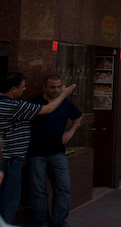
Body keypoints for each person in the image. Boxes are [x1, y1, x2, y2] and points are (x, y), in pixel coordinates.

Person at [0, 72, 76, 224]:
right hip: (9, 159)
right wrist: (64, 94)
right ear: (13, 89)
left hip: (10, 158)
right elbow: (48, 109)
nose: (25, 89)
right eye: (22, 87)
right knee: (10, 198)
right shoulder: (14, 106)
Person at [27, 74, 83, 227]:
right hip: (36, 153)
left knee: (63, 188)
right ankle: (42, 223)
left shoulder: (65, 103)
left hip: (57, 153)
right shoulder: (34, 103)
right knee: (38, 190)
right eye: (52, 87)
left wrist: (71, 132)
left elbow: (78, 116)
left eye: (59, 87)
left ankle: (59, 222)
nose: (56, 90)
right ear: (44, 87)